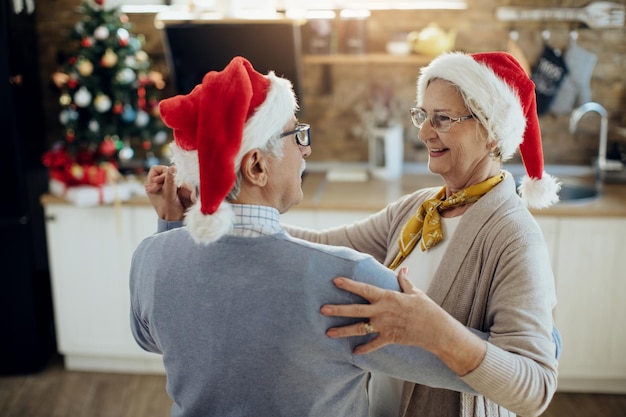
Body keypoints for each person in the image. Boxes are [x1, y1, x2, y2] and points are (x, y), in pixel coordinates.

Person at [145, 52, 562, 417]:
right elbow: (314, 249)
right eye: (423, 116)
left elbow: (536, 388)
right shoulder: (418, 207)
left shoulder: (513, 236)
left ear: (491, 131)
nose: (423, 133)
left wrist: (437, 331)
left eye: (443, 119)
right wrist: (207, 217)